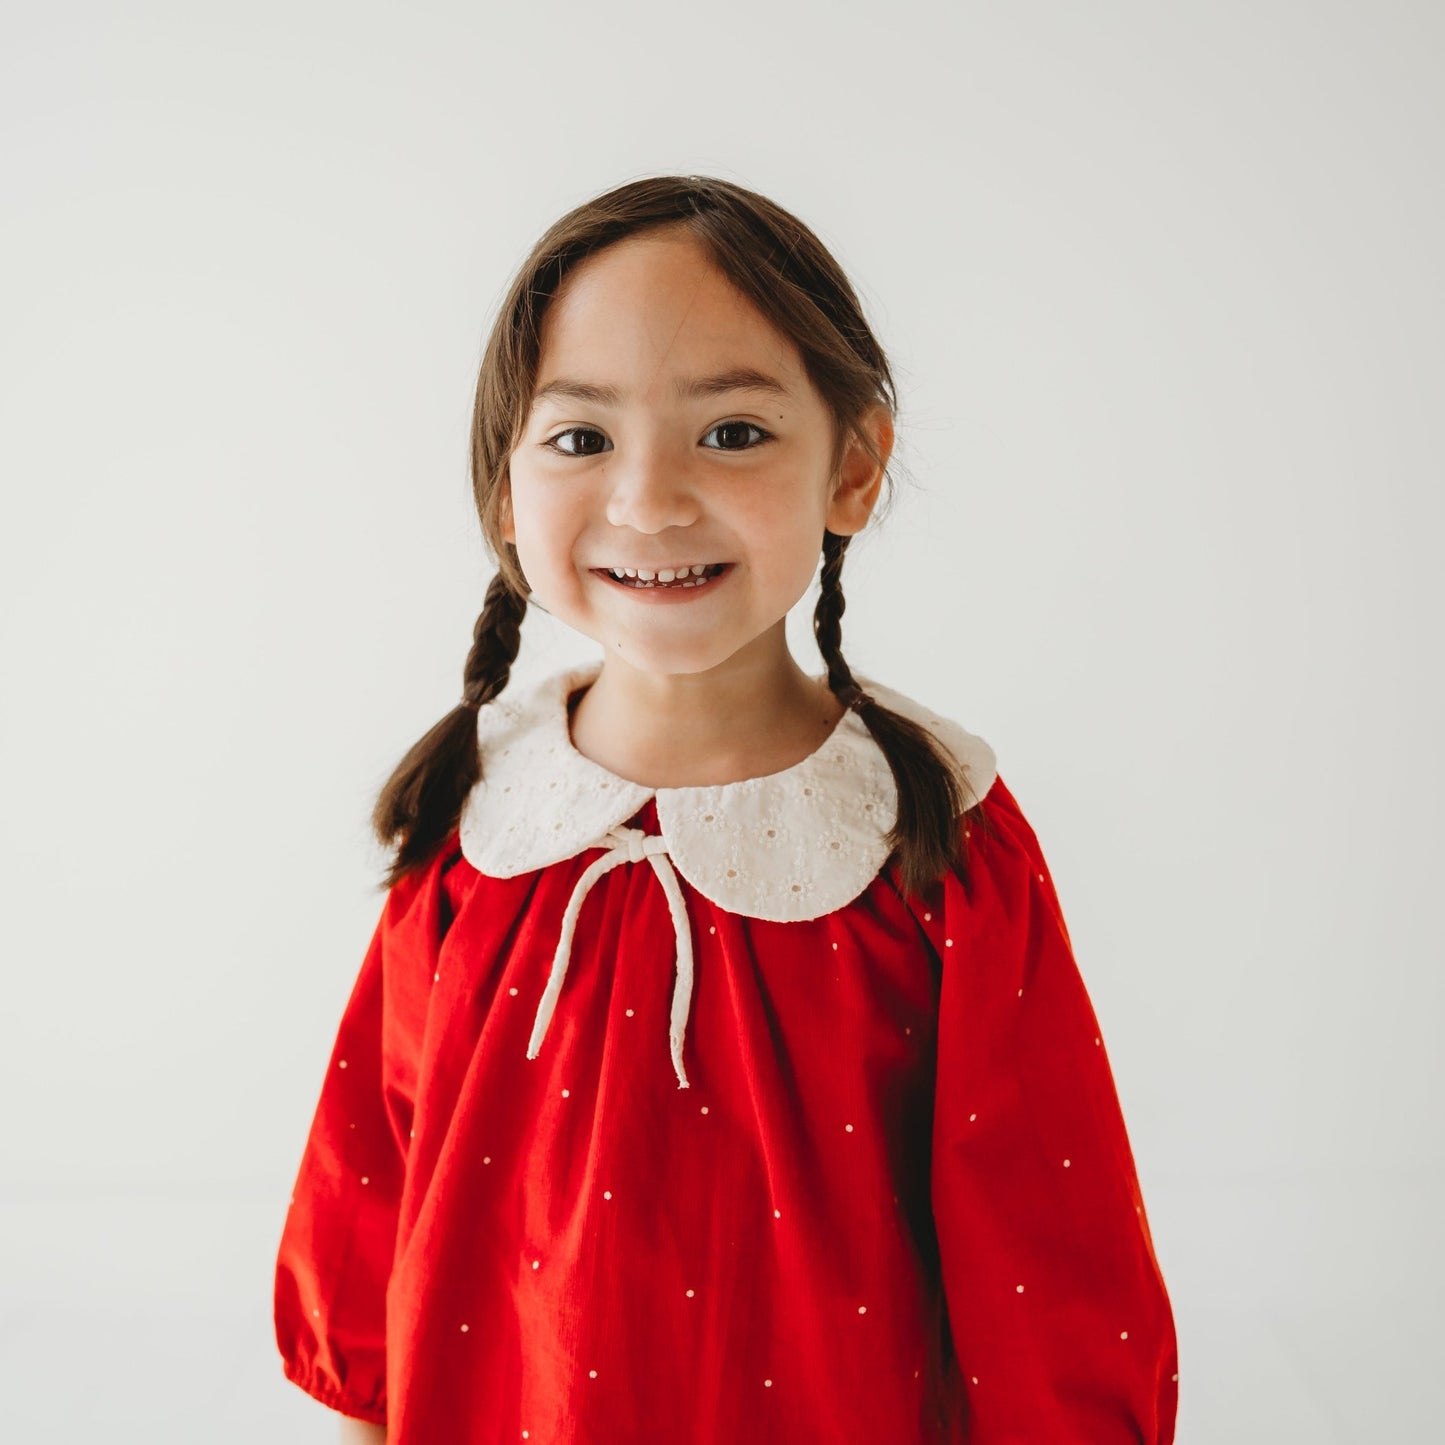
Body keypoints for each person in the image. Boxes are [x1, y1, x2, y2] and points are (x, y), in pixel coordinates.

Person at [272, 174, 1179, 1445]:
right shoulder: (479, 816)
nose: (649, 500)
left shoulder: (930, 835)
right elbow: (369, 1181)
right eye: (580, 439)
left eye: (733, 431)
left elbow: (1045, 1248)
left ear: (851, 466)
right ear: (502, 491)